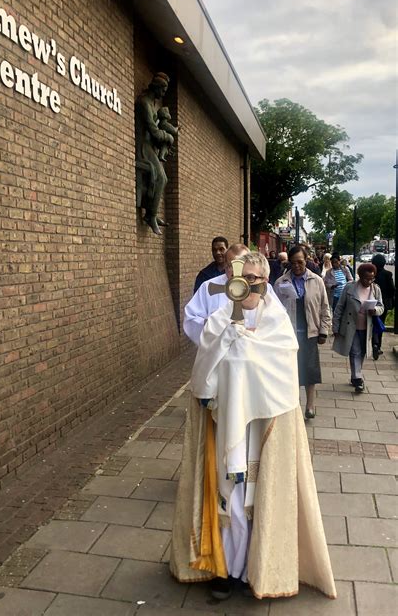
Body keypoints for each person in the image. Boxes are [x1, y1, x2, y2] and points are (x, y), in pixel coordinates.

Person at [171, 252, 336, 602]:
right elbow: (203, 375)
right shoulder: (217, 321)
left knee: (257, 501)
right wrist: (229, 342)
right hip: (224, 427)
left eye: (256, 278)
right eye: (242, 277)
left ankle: (253, 570)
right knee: (228, 502)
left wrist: (246, 348)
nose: (249, 284)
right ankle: (224, 570)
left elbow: (283, 381)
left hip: (262, 432)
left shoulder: (277, 325)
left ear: (265, 282)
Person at [274, 246, 331, 419]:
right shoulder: (281, 282)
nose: (297, 266)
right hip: (288, 333)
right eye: (293, 263)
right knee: (291, 370)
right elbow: (274, 309)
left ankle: (310, 405)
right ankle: (294, 404)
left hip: (310, 332)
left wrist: (324, 330)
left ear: (307, 260)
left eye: (300, 261)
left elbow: (324, 307)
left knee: (310, 370)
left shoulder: (316, 280)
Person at [332, 263, 384, 392]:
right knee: (355, 351)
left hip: (367, 328)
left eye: (372, 278)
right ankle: (358, 379)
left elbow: (381, 307)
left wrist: (375, 310)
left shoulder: (376, 289)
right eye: (366, 278)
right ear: (360, 276)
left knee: (362, 352)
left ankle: (355, 374)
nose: (369, 281)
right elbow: (339, 307)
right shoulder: (349, 288)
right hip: (351, 326)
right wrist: (335, 326)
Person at [185, 243, 247, 344]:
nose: (235, 270)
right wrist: (212, 325)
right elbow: (191, 318)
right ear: (225, 265)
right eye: (230, 266)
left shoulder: (259, 287)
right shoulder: (208, 286)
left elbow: (276, 319)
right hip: (217, 349)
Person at [135, 72, 173, 235]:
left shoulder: (152, 104)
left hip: (149, 146)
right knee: (161, 177)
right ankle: (150, 215)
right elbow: (154, 131)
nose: (164, 94)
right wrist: (169, 136)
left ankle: (152, 213)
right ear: (156, 87)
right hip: (142, 146)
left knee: (162, 178)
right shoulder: (144, 103)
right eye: (163, 90)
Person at [371, 253, 395, 357]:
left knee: (372, 324)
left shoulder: (372, 274)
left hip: (371, 303)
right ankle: (378, 345)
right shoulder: (388, 274)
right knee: (380, 324)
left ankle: (373, 343)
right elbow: (392, 290)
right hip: (383, 304)